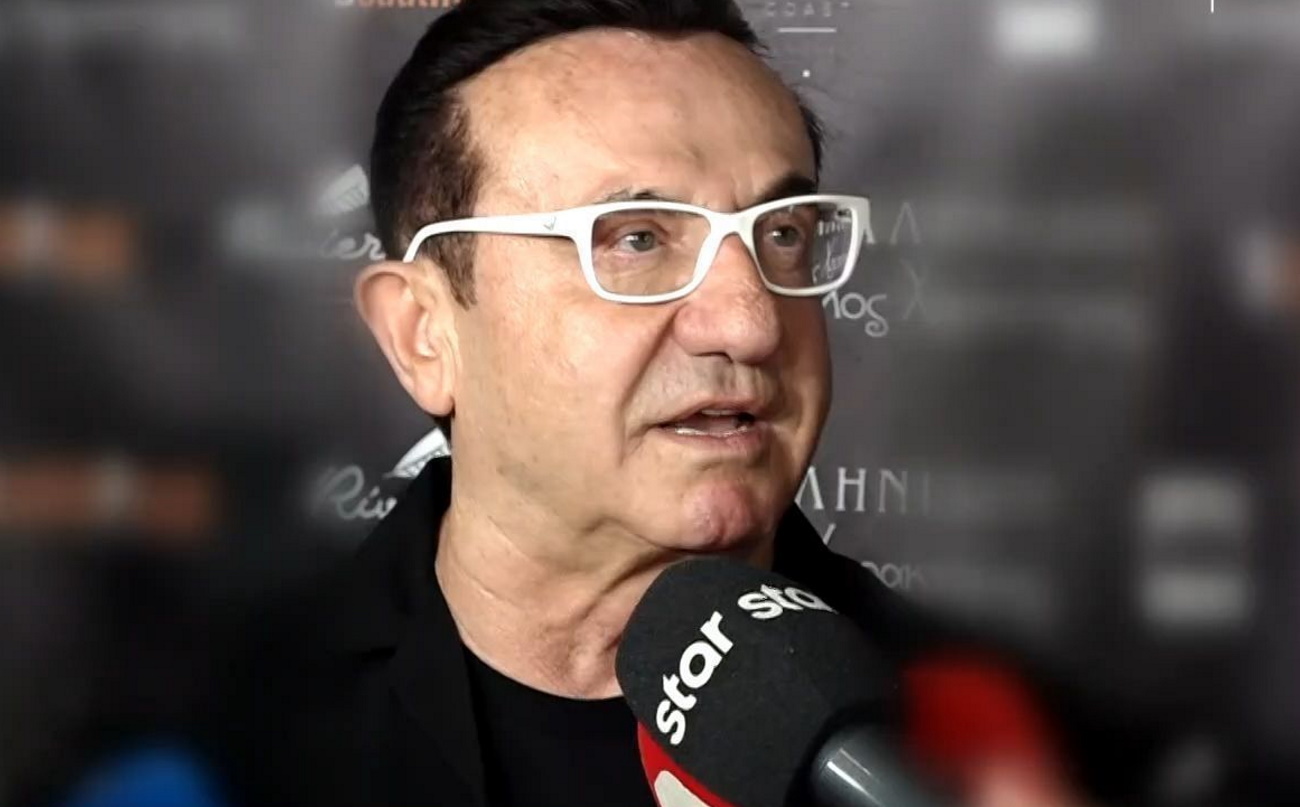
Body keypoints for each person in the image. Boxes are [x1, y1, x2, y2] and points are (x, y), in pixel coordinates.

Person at [205, 2, 1101, 806]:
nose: (751, 322)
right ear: (423, 333)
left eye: (782, 234)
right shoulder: (233, 734)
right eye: (635, 239)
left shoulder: (982, 741)